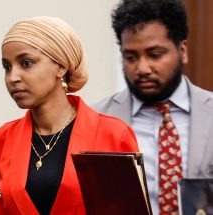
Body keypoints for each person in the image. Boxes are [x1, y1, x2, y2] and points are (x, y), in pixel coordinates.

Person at [0, 16, 139, 215]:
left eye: (26, 63)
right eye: (7, 68)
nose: (13, 78)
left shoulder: (113, 134)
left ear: (61, 67)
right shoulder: (2, 138)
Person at [91, 0, 213, 214]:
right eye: (131, 57)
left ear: (182, 50)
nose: (142, 68)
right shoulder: (95, 119)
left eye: (155, 55)